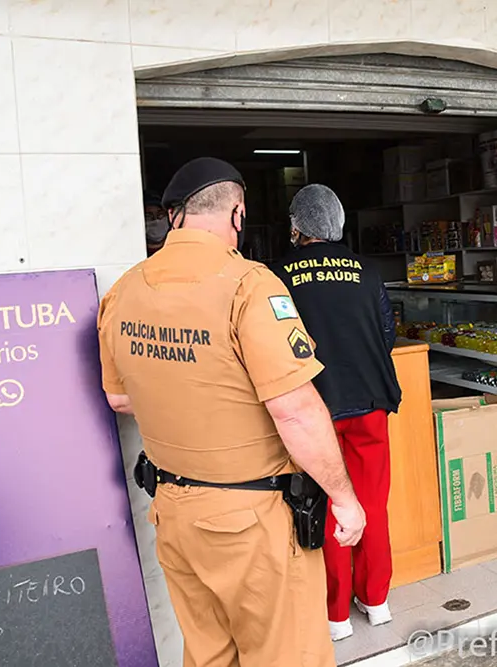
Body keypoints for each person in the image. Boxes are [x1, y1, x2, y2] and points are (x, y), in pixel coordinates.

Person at [97, 158, 366, 667]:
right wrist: (344, 498)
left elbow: (120, 397)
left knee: (209, 654)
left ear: (172, 216)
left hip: (173, 512)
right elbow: (295, 411)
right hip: (251, 523)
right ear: (238, 214)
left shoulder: (124, 290)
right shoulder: (249, 285)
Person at [268, 184, 402, 642]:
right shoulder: (366, 271)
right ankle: (377, 600)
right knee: (370, 505)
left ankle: (335, 615)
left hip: (313, 410)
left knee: (324, 507)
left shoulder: (276, 275)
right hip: (370, 404)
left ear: (297, 226)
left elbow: (272, 347)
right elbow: (387, 334)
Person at [143, 191, 168, 256]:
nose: (156, 220)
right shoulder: (135, 253)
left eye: (160, 214)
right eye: (148, 216)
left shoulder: (176, 249)